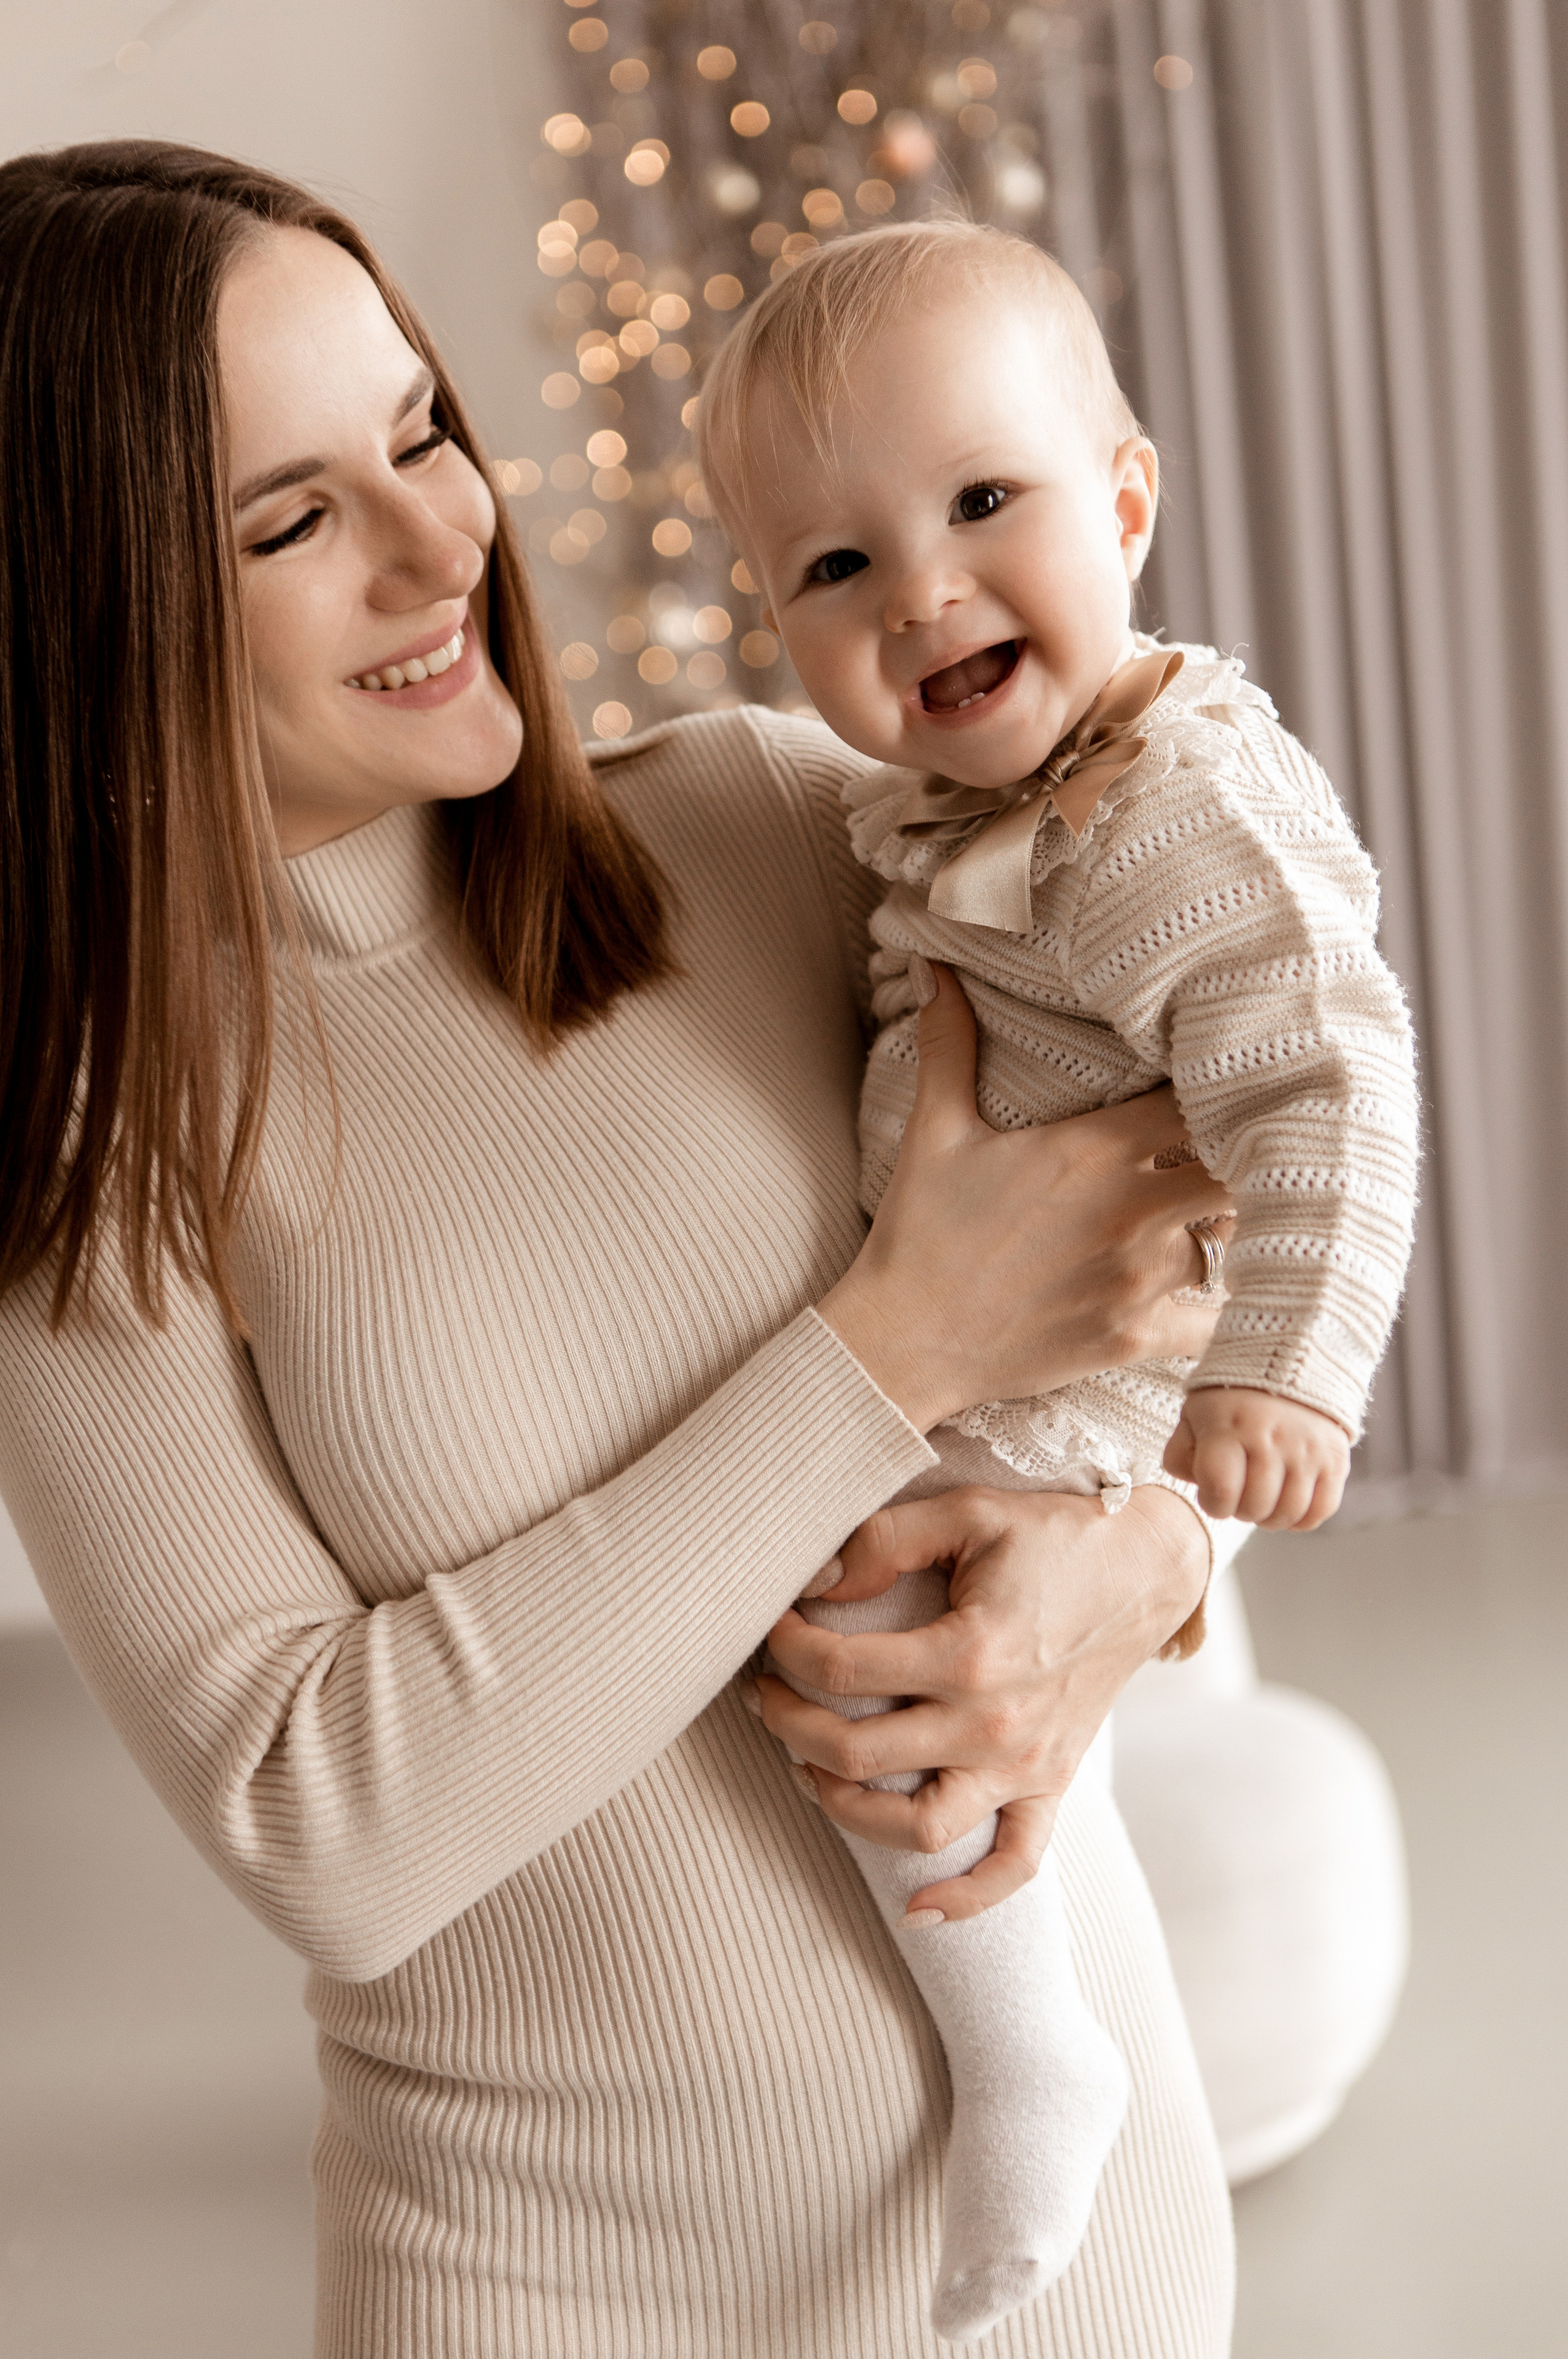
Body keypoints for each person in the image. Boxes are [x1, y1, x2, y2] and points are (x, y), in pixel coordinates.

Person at [0, 144, 1241, 2359]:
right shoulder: (102, 1159)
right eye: (291, 523)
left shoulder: (778, 818)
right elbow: (325, 1832)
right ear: (74, 622)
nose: (440, 541)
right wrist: (886, 1343)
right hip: (552, 2296)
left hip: (1094, 2262)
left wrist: (1149, 1566)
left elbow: (1174, 1272)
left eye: (422, 435)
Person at [695, 219, 1418, 2342]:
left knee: (885, 1626)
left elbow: (1332, 1070)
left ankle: (1031, 2051)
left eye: (982, 504)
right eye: (831, 568)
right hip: (968, 1328)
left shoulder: (1168, 809)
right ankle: (1027, 2020)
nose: (916, 589)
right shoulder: (932, 809)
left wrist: (1292, 1368)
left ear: (1126, 501)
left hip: (1073, 1373)